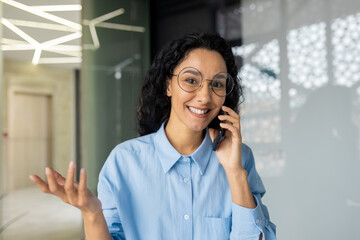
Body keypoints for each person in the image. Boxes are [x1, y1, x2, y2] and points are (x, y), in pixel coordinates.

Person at [30, 32, 276, 240]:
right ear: (168, 85)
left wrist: (234, 174)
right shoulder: (124, 161)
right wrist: (92, 212)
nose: (204, 97)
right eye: (191, 80)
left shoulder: (241, 159)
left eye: (217, 84)